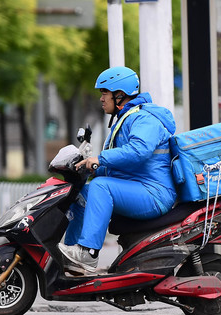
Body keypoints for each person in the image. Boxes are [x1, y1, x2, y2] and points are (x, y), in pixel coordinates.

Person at [58, 66, 177, 275]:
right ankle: (72, 257)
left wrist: (99, 159)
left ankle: (88, 253)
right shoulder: (127, 118)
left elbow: (138, 151)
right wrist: (89, 166)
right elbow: (123, 164)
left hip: (154, 193)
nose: (102, 99)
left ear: (119, 95)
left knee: (101, 187)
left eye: (105, 93)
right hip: (138, 187)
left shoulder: (144, 118)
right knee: (81, 194)